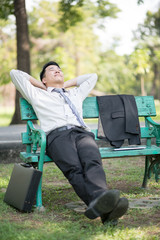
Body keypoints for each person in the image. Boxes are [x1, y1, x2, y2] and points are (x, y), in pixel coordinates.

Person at [10, 61, 129, 225]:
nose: (57, 71)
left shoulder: (75, 94)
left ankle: (102, 204)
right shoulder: (36, 94)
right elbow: (15, 74)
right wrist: (43, 87)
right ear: (44, 79)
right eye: (52, 70)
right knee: (74, 169)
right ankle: (105, 209)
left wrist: (65, 84)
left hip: (81, 133)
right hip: (57, 136)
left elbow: (92, 77)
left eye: (59, 70)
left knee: (93, 162)